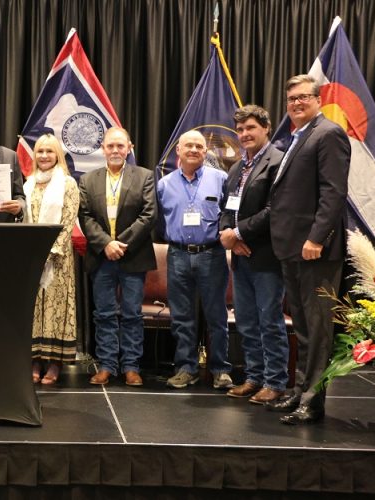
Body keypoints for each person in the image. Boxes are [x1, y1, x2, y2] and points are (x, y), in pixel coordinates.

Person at [268, 74, 350, 425]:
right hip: (292, 249)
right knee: (302, 326)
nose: (296, 104)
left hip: (315, 250)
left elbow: (334, 192)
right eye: (291, 99)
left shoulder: (328, 133)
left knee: (318, 330)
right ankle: (300, 391)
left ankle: (313, 401)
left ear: (318, 99)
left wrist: (317, 238)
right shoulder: (297, 137)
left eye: (303, 97)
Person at [219, 105, 289, 404]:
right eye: (240, 130)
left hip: (267, 257)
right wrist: (228, 237)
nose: (244, 134)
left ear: (266, 128)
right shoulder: (237, 167)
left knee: (269, 320)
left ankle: (275, 382)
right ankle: (254, 377)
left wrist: (239, 233)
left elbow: (277, 210)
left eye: (250, 128)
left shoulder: (278, 161)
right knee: (247, 321)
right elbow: (226, 208)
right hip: (241, 256)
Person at [79, 128, 157, 386]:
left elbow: (148, 215)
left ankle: (131, 366)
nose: (115, 151)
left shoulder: (145, 176)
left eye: (120, 146)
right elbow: (85, 217)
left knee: (132, 314)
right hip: (102, 256)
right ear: (103, 148)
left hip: (133, 255)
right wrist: (106, 244)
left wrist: (120, 244)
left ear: (129, 147)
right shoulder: (88, 180)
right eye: (110, 146)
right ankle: (107, 365)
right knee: (104, 314)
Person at [157, 130, 233, 390]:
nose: (193, 150)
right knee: (182, 317)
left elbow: (230, 214)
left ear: (205, 151)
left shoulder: (221, 179)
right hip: (177, 254)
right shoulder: (164, 184)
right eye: (188, 145)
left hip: (211, 254)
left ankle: (221, 370)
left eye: (199, 146)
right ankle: (186, 368)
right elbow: (158, 221)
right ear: (178, 150)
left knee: (216, 316)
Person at [23, 134, 80, 385]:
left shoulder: (68, 184)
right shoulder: (27, 184)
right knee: (34, 308)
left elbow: (68, 222)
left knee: (56, 308)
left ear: (58, 155)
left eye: (49, 151)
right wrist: (32, 252)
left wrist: (50, 252)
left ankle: (55, 363)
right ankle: (35, 359)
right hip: (30, 256)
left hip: (58, 258)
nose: (44, 155)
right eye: (40, 151)